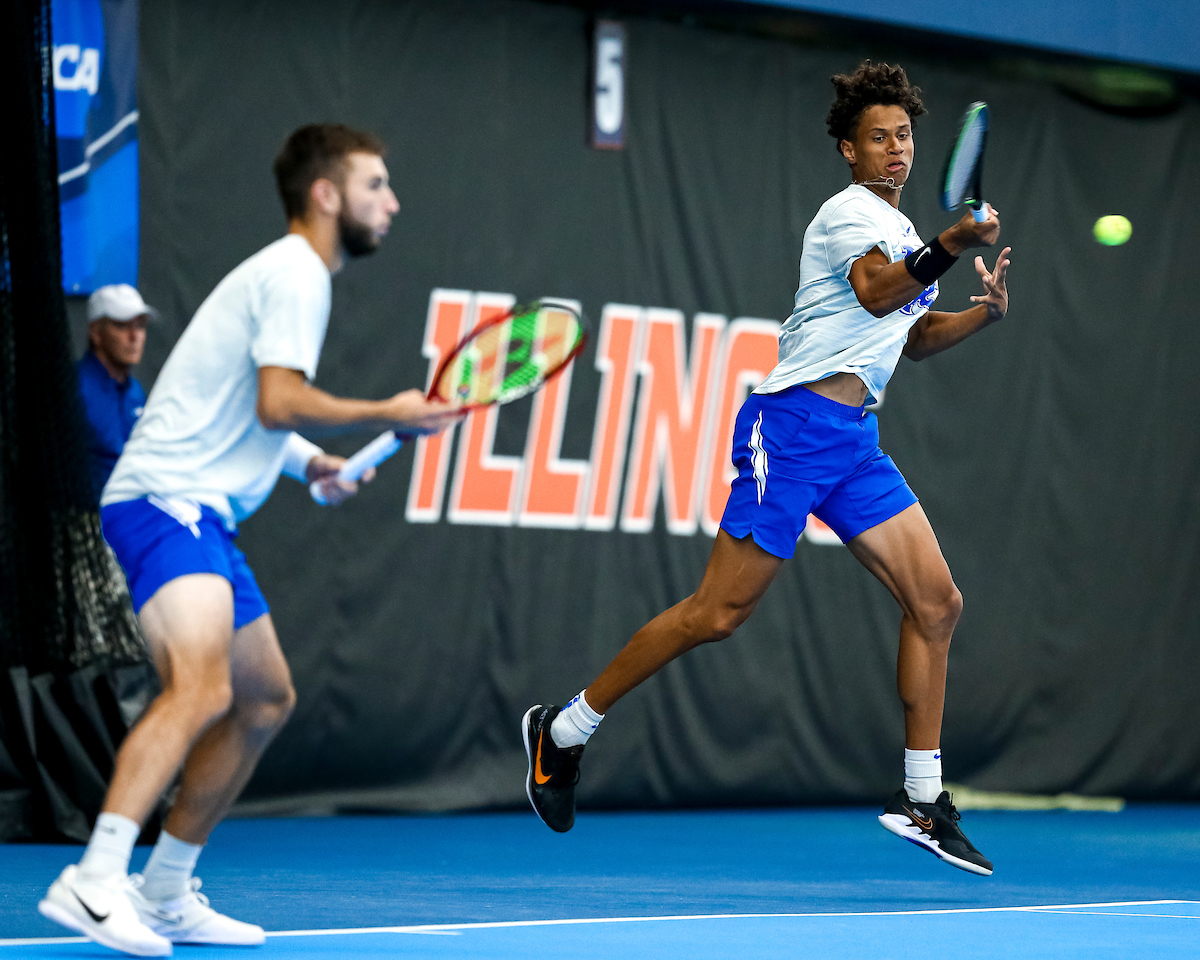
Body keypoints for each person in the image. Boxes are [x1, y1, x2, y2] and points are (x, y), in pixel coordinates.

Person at [523, 62, 1011, 877]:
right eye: (879, 138)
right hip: (789, 430)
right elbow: (879, 293)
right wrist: (953, 243)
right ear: (850, 152)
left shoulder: (901, 232)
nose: (896, 151)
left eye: (905, 137)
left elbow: (911, 336)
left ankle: (923, 797)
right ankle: (565, 729)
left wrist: (979, 315)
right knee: (718, 614)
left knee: (937, 602)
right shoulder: (847, 214)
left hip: (856, 442)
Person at [39, 123, 462, 956]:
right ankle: (94, 880)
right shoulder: (298, 272)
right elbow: (277, 401)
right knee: (199, 689)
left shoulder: (291, 276)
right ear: (327, 193)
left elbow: (246, 404)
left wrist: (317, 468)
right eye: (377, 184)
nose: (394, 202)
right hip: (165, 500)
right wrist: (388, 412)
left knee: (264, 697)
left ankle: (162, 889)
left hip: (201, 508)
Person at [76, 284, 155, 499]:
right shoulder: (73, 388)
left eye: (140, 326)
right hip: (81, 519)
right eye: (122, 326)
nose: (134, 336)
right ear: (96, 333)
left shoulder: (136, 393)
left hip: (130, 516)